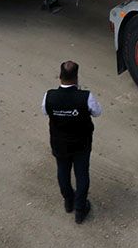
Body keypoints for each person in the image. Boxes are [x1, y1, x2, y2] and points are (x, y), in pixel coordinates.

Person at [42, 60, 101, 224]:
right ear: (76, 78)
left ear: (60, 76)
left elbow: (44, 111)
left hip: (59, 143)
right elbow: (97, 112)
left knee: (62, 171)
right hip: (81, 144)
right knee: (82, 175)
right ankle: (80, 210)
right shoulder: (86, 97)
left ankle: (68, 202)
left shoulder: (49, 96)